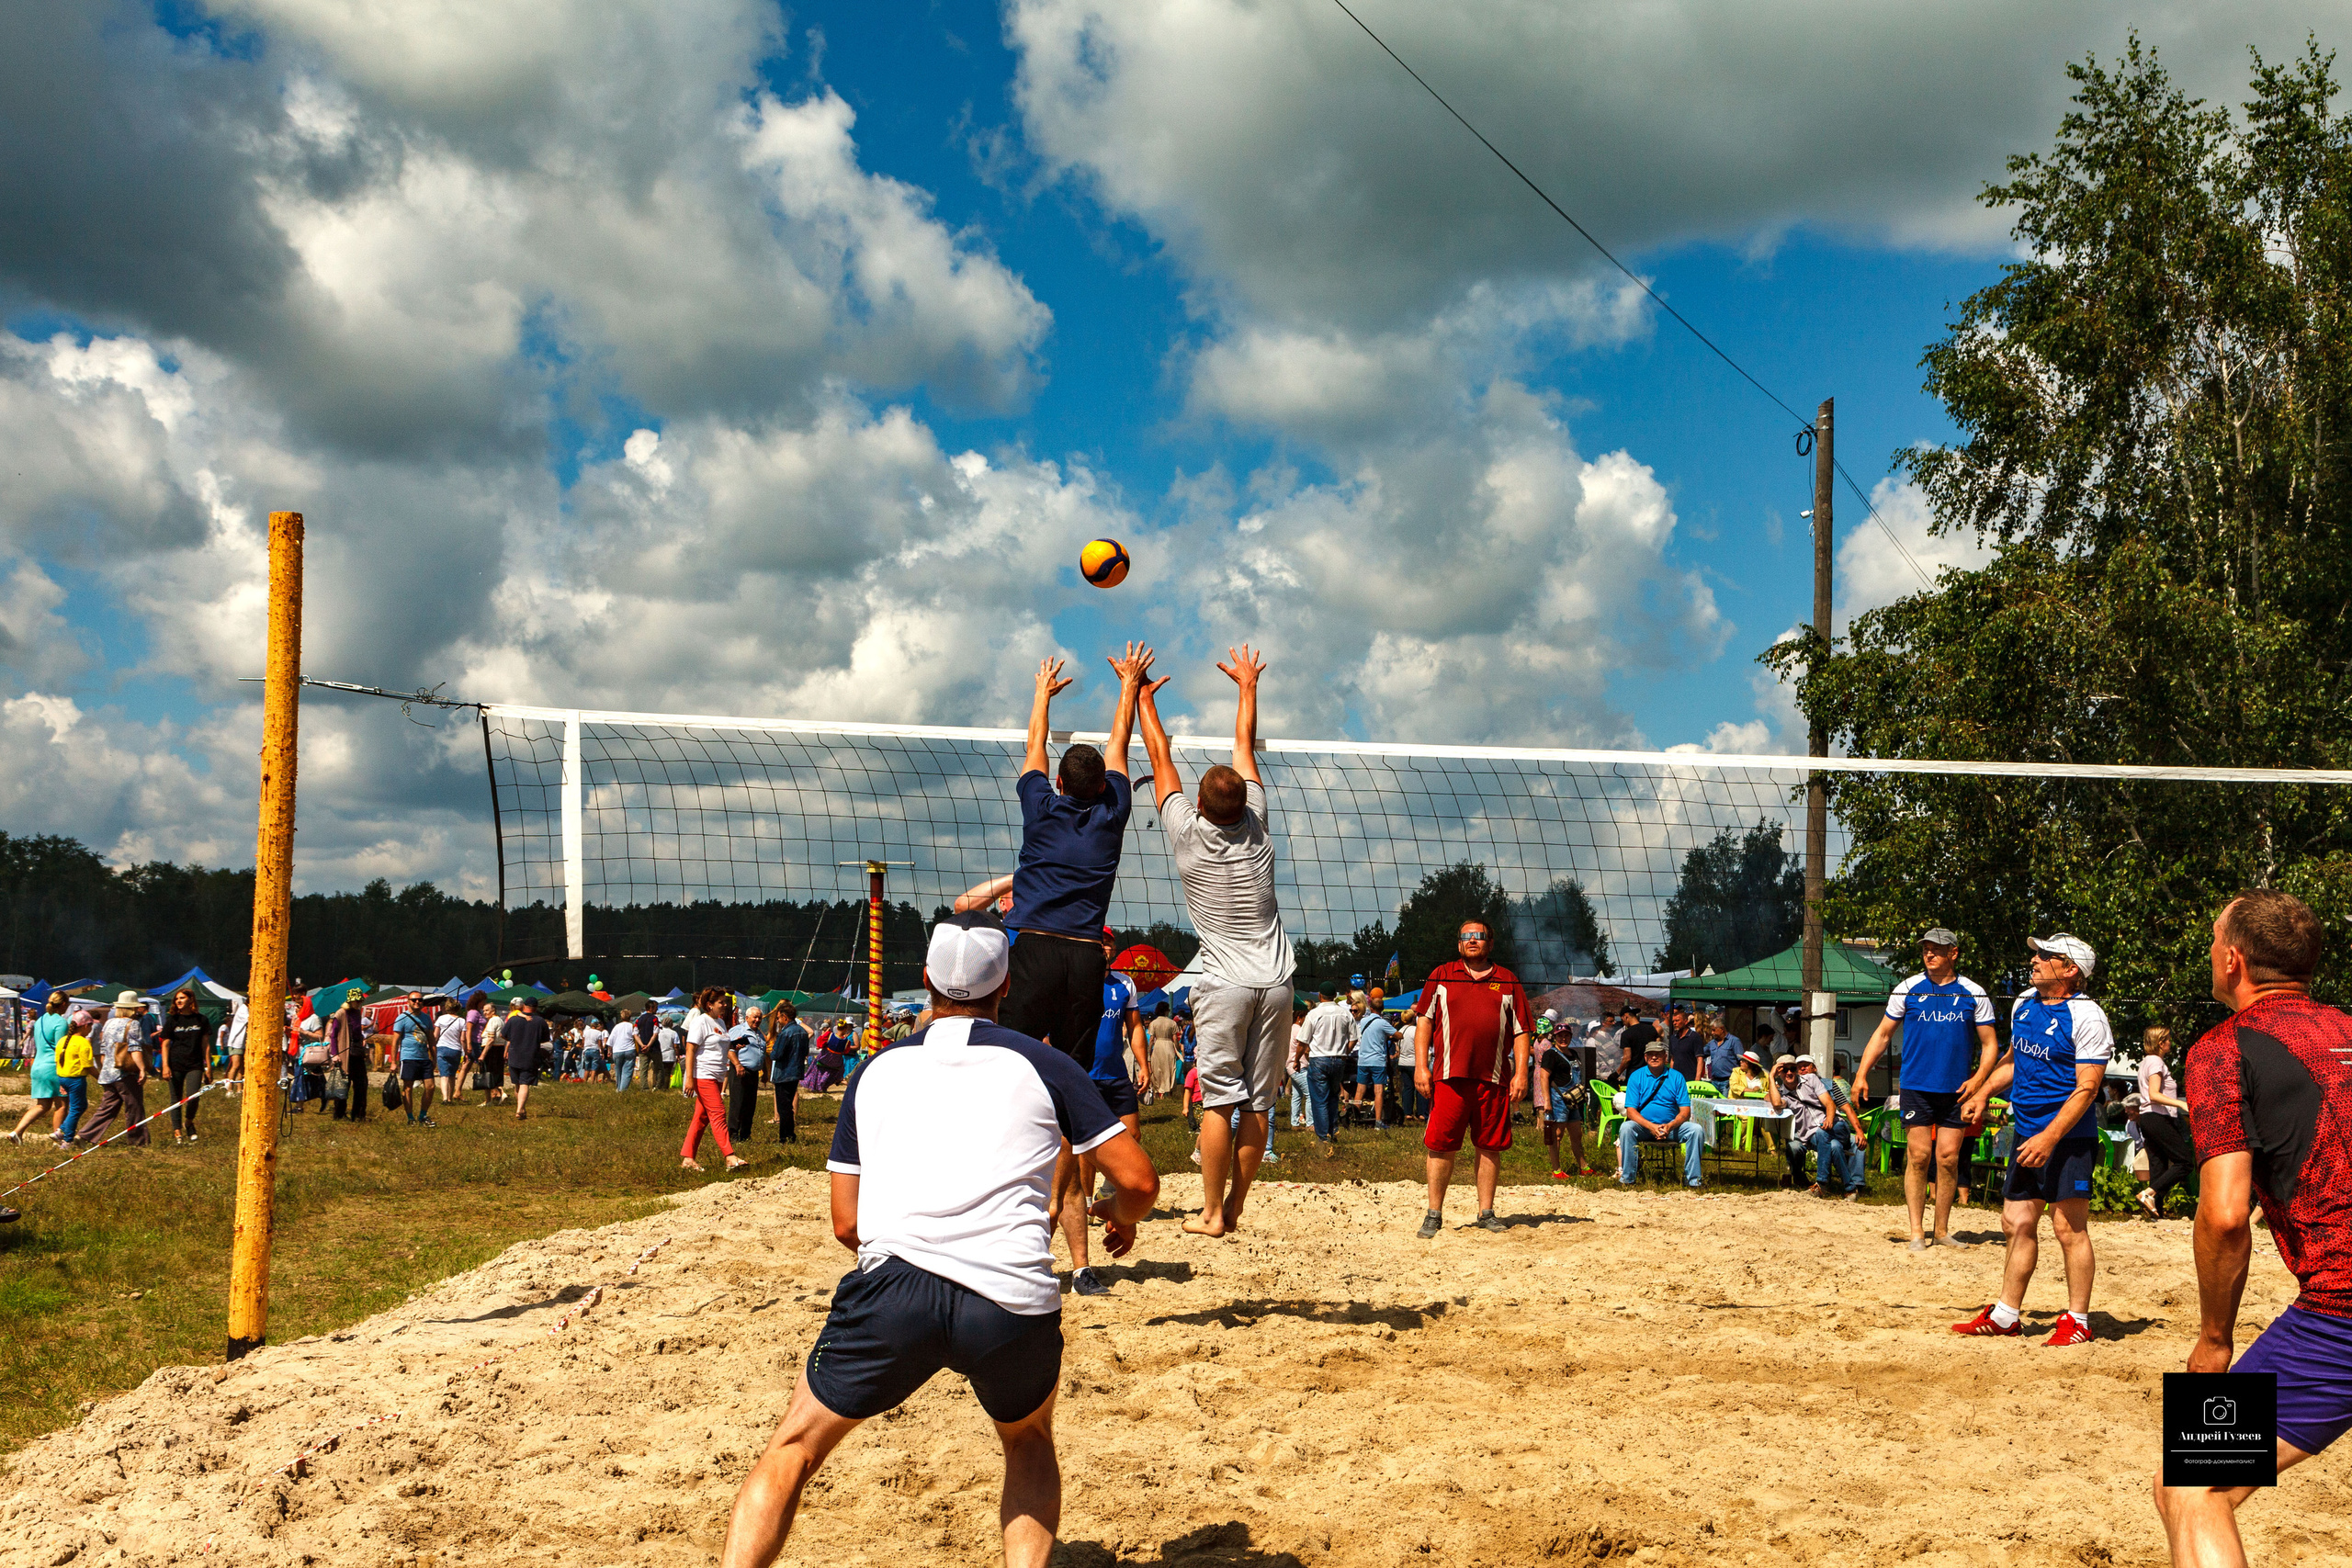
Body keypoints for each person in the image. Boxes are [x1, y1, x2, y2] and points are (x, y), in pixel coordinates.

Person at [718, 911, 1158, 1568]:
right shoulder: (1046, 1063)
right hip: (1009, 1296)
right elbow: (1141, 1180)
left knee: (794, 1447)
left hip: (893, 1289)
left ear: (925, 980)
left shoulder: (873, 1071)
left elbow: (845, 1222)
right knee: (1028, 1440)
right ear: (1005, 983)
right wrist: (1114, 1209)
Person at [2154, 890, 2352, 1568]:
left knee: (2189, 1479)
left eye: (2213, 939)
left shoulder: (2222, 1049)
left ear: (2233, 959)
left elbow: (2225, 1213)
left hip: (2342, 1311)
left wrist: (2214, 1339)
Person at [1134, 644, 1295, 1237]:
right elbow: (1244, 747)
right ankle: (1237, 1204)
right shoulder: (1257, 822)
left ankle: (1208, 1213)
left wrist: (1144, 697)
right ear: (1242, 803)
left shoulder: (1185, 832)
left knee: (1218, 1103)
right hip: (1277, 982)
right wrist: (1247, 685)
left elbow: (1158, 754)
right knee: (1259, 1104)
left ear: (1198, 805)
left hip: (1225, 982)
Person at [1952, 934, 2110, 1344]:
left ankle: (2078, 1321)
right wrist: (1983, 1091)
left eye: (2045, 956)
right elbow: (2012, 1061)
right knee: (2016, 1221)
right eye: (2036, 953)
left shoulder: (2088, 1017)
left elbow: (2088, 1089)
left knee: (2068, 1228)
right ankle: (2006, 1314)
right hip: (2026, 1131)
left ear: (2070, 970)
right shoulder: (2025, 1002)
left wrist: (2050, 1137)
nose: (2034, 959)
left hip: (2068, 1136)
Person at [1852, 927, 2000, 1250]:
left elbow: (1990, 1045)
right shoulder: (1908, 988)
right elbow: (1882, 1034)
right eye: (1925, 949)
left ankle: (1942, 1230)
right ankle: (1917, 1232)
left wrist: (1978, 1081)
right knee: (1919, 1156)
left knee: (1948, 1159)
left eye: (1936, 949)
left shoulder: (1973, 993)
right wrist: (1861, 1073)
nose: (1929, 954)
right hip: (1917, 1086)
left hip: (1957, 1090)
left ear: (1954, 953)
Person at [1410, 919, 1532, 1236]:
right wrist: (1420, 1066)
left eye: (1479, 936)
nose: (1472, 941)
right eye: (1466, 936)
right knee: (1440, 1144)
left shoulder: (1508, 981)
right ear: (1459, 944)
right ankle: (1433, 1213)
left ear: (1491, 943)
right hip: (1449, 1076)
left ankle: (1486, 1212)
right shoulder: (1442, 974)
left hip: (1493, 1078)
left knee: (1490, 1145)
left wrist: (1521, 1073)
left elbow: (1522, 1031)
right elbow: (1424, 1022)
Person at [1069, 930, 1147, 1295]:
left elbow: (1134, 1028)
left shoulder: (1124, 983)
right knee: (1087, 1146)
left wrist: (1142, 1065)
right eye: (1099, 943)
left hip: (1116, 1074)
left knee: (1133, 1135)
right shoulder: (1074, 980)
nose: (1105, 947)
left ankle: (1108, 1194)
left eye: (1109, 943)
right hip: (1084, 1074)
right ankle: (1085, 1202)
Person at [1770, 1054, 1864, 1198]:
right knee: (1834, 1146)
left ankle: (1821, 1184)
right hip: (1812, 1135)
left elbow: (1831, 1104)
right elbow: (1776, 1103)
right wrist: (1771, 1077)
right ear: (1779, 1073)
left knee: (1823, 1133)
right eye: (1785, 1070)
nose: (1789, 1072)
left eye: (1792, 1069)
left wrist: (1831, 1121)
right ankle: (1851, 1189)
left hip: (1836, 1125)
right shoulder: (1782, 1093)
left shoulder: (1813, 1080)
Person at [1617, 1035, 1702, 1187]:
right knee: (1626, 1128)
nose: (1654, 1057)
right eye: (1650, 1054)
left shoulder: (1677, 1077)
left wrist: (1670, 1126)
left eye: (1658, 1054)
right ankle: (1628, 1179)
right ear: (1645, 1057)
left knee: (1696, 1130)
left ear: (1665, 1057)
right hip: (1645, 1127)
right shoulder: (1636, 1077)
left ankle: (1693, 1180)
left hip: (1671, 1128)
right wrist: (1652, 1127)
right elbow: (1631, 1112)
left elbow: (1685, 1112)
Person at [682, 987, 749, 1172]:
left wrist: (735, 1045)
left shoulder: (719, 1022)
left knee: (701, 1118)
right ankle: (729, 1157)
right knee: (718, 1113)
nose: (725, 1005)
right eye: (721, 1002)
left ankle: (688, 1159)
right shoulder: (700, 1022)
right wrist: (689, 1079)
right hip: (704, 1076)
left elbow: (721, 1046)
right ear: (709, 1005)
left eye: (725, 1002)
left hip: (717, 1076)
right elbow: (690, 1050)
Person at [2133, 1025, 2195, 1221]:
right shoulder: (2156, 1062)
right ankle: (2149, 1193)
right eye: (2168, 1039)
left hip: (2148, 1118)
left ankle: (2155, 1213)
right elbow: (2154, 1094)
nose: (2171, 1042)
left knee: (2158, 1165)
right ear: (2161, 1043)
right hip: (2156, 1117)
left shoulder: (2147, 1062)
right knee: (2185, 1161)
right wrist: (2180, 1104)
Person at [77, 992, 152, 1148]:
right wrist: (143, 1069)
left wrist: (105, 1068)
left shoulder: (108, 1023)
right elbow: (135, 1049)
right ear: (133, 1009)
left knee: (107, 1108)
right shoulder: (133, 1024)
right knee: (135, 1107)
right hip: (125, 1073)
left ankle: (85, 1135)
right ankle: (138, 1142)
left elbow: (104, 1050)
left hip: (108, 1073)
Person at [1533, 1012, 1591, 1177]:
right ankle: (1556, 1170)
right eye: (1560, 1036)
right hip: (1558, 1100)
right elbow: (1544, 1077)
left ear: (1570, 1036)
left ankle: (1584, 1167)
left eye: (1566, 1035)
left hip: (1573, 1100)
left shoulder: (1573, 1054)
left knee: (1576, 1135)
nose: (1563, 1039)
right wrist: (1547, 1102)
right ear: (1555, 1037)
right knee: (1556, 1136)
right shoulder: (1551, 1054)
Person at [8, 993, 71, 1145]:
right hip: (53, 1068)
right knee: (62, 1104)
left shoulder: (40, 1020)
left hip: (37, 1066)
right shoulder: (61, 1023)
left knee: (42, 1105)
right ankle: (58, 1140)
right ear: (63, 1004)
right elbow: (60, 1049)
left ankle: (17, 1132)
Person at [1299, 983, 1354, 1156]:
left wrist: (1296, 1059)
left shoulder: (1314, 1014)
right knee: (1333, 1096)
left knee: (1319, 1099)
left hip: (1319, 1059)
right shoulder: (1345, 1013)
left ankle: (1324, 1136)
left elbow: (1303, 1041)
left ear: (1320, 996)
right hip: (1338, 1059)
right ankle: (1333, 1127)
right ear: (1335, 996)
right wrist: (1345, 1052)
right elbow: (1353, 1038)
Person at [156, 988, 213, 1144]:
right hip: (175, 1063)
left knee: (193, 1095)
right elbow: (166, 1045)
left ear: (191, 1000)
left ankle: (188, 1122)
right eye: (176, 999)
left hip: (194, 1064)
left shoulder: (201, 1020)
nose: (179, 1001)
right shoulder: (172, 1020)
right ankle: (177, 1131)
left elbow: (205, 1045)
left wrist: (208, 1067)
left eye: (182, 998)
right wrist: (165, 1066)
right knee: (175, 1098)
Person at [502, 996, 549, 1122]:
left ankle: (520, 1108)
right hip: (530, 1055)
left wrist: (514, 1039)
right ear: (536, 1008)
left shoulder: (513, 1020)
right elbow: (545, 1039)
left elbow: (503, 1034)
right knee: (524, 1083)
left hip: (514, 1055)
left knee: (517, 1084)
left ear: (524, 1006)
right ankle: (520, 1109)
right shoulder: (540, 1021)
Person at [392, 994, 436, 1127]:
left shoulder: (427, 1018)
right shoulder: (402, 1018)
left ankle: (423, 1115)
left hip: (424, 1058)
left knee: (431, 1087)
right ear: (408, 1002)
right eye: (414, 1000)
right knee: (408, 1088)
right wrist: (393, 1062)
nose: (417, 1002)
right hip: (408, 1058)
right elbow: (395, 1041)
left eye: (420, 1000)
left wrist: (434, 1058)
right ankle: (410, 1118)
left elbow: (431, 1040)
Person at [1353, 997, 1396, 1131]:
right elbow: (1398, 1035)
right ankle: (1378, 1122)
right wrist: (1391, 1032)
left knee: (1360, 1090)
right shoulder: (1383, 1023)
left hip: (1363, 1060)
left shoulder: (1364, 1020)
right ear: (1382, 1009)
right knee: (1379, 1091)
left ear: (1371, 1008)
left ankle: (1355, 1117)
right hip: (1377, 1061)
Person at [769, 1003, 810, 1142]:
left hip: (783, 1073)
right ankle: (790, 1134)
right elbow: (805, 1052)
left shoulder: (785, 1033)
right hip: (796, 1072)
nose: (778, 1020)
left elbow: (777, 1054)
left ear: (785, 1017)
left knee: (783, 1107)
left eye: (779, 1017)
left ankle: (786, 1136)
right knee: (789, 1105)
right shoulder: (802, 1032)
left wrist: (771, 1051)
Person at [727, 1004, 767, 1145]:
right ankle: (733, 1134)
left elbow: (762, 1054)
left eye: (759, 1018)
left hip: (754, 1073)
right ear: (747, 1017)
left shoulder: (759, 1034)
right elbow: (730, 1050)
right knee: (737, 1103)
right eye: (755, 1017)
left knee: (750, 1105)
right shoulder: (740, 1031)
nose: (757, 1020)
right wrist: (738, 1065)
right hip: (740, 1071)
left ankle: (745, 1134)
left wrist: (765, 1072)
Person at [54, 1010, 96, 1142]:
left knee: (82, 1105)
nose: (90, 1029)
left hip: (63, 1077)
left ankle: (61, 1131)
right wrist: (101, 1079)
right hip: (76, 1079)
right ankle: (66, 1139)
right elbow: (88, 1066)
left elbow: (58, 1062)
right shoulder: (83, 1042)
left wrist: (61, 1082)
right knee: (76, 1109)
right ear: (85, 1026)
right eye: (90, 1026)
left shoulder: (62, 1040)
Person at [330, 993, 369, 1122]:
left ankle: (358, 1114)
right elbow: (333, 1035)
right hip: (344, 1054)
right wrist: (335, 1054)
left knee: (361, 1084)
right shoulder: (341, 1013)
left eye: (360, 1001)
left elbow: (357, 1032)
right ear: (350, 1001)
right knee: (343, 1085)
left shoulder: (358, 1013)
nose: (358, 1003)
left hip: (357, 1053)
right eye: (356, 1001)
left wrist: (362, 1039)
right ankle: (339, 1114)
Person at [433, 997, 468, 1110]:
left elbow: (435, 1035)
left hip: (442, 1047)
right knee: (452, 1075)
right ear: (458, 1008)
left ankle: (444, 1098)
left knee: (444, 1075)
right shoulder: (462, 1021)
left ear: (447, 1007)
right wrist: (465, 1052)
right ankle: (450, 1098)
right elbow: (463, 1039)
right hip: (456, 1049)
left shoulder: (441, 1019)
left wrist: (431, 1046)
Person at [1145, 1003, 1181, 1104]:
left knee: (1157, 1069)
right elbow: (1175, 1038)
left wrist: (1149, 1051)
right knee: (1170, 1068)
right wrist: (1177, 1049)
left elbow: (1151, 1039)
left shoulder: (1154, 1023)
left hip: (1158, 1046)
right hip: (1169, 1045)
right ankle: (1169, 1093)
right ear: (1166, 1011)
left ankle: (1157, 1092)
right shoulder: (1172, 1023)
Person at [1665, 1005, 1702, 1083]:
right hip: (1676, 1079)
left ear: (1685, 1021)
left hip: (1690, 1078)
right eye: (1673, 1021)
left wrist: (1697, 1079)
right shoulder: (1673, 1038)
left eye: (1677, 1021)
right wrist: (1670, 1077)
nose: (1675, 1023)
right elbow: (1672, 1059)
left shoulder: (1694, 1037)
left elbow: (1700, 1059)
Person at [1702, 1013, 1738, 1093]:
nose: (1712, 1033)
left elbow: (1741, 1060)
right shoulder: (1712, 1043)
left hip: (1728, 1082)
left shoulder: (1734, 1041)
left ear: (1722, 1029)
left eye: (1714, 1030)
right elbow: (1701, 1053)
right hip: (1714, 1081)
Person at [609, 1007, 640, 1092]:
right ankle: (622, 1090)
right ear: (630, 1017)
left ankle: (618, 1088)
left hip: (617, 1050)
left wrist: (609, 1050)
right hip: (629, 1049)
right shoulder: (632, 1026)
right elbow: (636, 1037)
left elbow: (610, 1040)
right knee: (627, 1071)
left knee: (618, 1070)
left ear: (621, 1017)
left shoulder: (616, 1027)